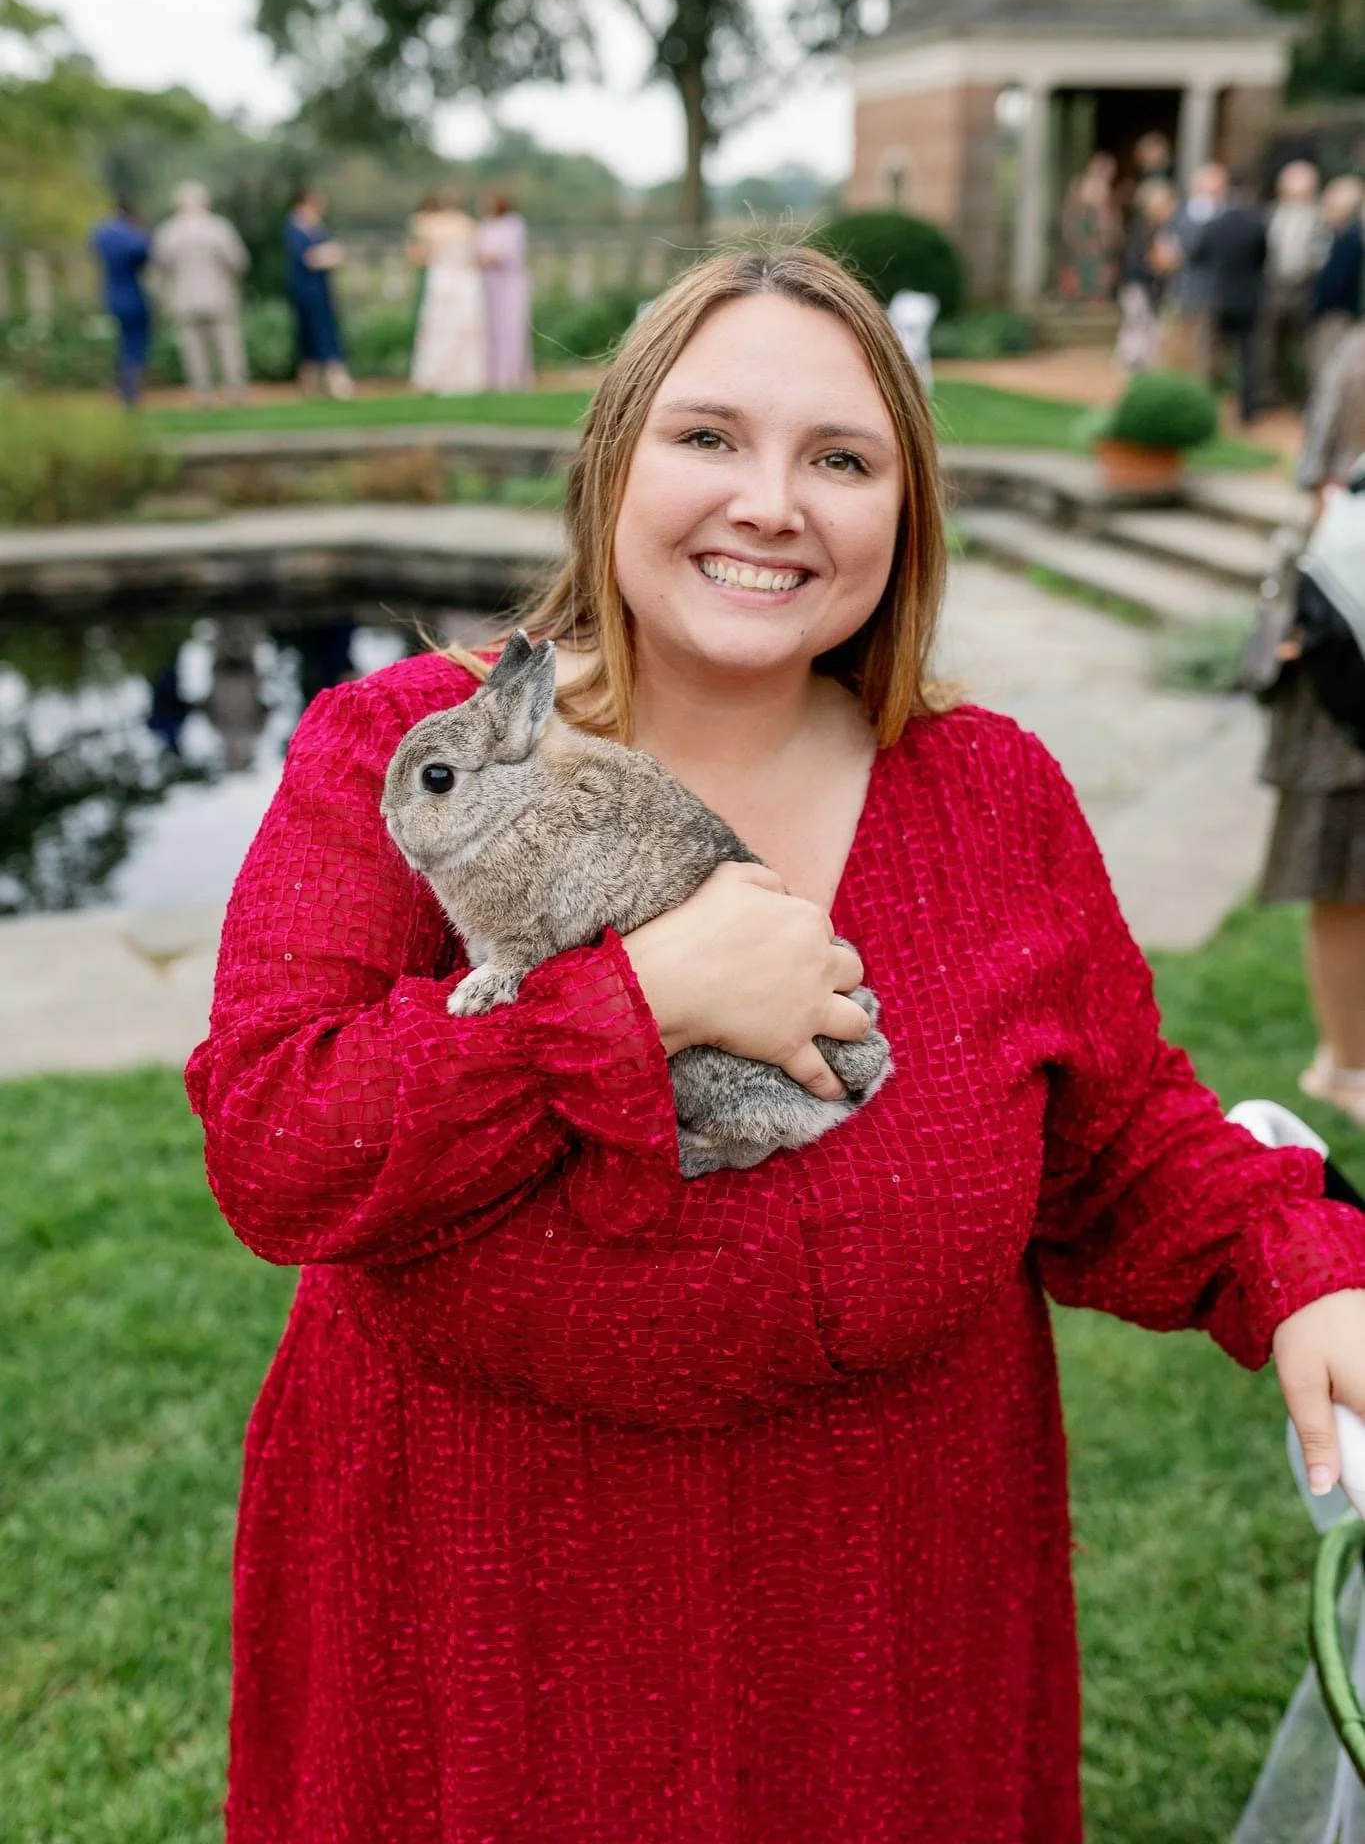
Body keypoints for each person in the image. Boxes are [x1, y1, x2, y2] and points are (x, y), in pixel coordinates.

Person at [187, 245, 1365, 1844]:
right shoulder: (403, 761)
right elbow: (278, 1135)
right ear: (614, 461)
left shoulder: (987, 797)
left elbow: (1116, 1140)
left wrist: (1295, 1264)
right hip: (490, 1632)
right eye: (708, 439)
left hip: (883, 1638)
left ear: (904, 515)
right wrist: (635, 1001)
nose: (771, 503)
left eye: (841, 459)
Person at [1261, 326, 1365, 1123]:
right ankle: (1345, 1067)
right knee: (1340, 873)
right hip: (1344, 658)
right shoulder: (1356, 353)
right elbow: (1320, 478)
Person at [152, 181, 251, 407]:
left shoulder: (169, 231)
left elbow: (160, 267)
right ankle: (235, 390)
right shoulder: (218, 228)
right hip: (219, 296)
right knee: (227, 346)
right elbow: (238, 262)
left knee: (193, 350)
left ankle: (202, 394)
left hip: (184, 299)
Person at [1190, 178, 1268, 425]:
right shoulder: (1256, 225)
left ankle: (1205, 407)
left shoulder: (1214, 224)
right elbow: (1262, 259)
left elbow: (1197, 255)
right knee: (1246, 357)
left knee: (1211, 355)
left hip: (1218, 298)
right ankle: (1246, 411)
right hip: (1247, 300)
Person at [407, 191, 488, 395]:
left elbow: (418, 257)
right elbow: (478, 256)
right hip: (465, 280)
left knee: (440, 329)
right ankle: (465, 379)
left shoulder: (428, 225)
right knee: (463, 330)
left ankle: (436, 377)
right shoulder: (469, 224)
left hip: (442, 279)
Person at [1260, 158, 1325, 408]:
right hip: (1274, 288)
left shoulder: (1320, 217)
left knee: (1308, 351)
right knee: (1270, 347)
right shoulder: (1271, 214)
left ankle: (1307, 401)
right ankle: (1271, 396)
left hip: (1306, 291)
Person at [284, 188, 352, 398]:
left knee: (323, 334)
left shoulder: (317, 229)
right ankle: (322, 384)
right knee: (314, 336)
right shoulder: (296, 229)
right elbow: (310, 258)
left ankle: (323, 384)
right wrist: (326, 255)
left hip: (321, 291)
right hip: (307, 292)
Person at [1163, 160, 1229, 377]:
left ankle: (1199, 385)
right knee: (1177, 337)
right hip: (1181, 287)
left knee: (1204, 342)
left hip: (1212, 289)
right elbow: (1169, 246)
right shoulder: (1182, 214)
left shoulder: (1226, 214)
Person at [1114, 178, 1181, 372]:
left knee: (1149, 329)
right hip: (1137, 287)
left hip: (1152, 288)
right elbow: (1135, 264)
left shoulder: (1163, 228)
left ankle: (1139, 367)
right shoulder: (1141, 229)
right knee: (1137, 326)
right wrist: (1157, 267)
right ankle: (1130, 366)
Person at [89, 197, 152, 405]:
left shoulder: (101, 233)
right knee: (135, 342)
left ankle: (123, 387)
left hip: (111, 294)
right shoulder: (130, 235)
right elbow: (144, 252)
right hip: (131, 293)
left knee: (123, 343)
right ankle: (130, 391)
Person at [1307, 175, 1365, 391]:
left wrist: (1319, 304)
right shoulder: (1339, 234)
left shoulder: (1350, 238)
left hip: (1337, 313)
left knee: (1328, 368)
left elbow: (1336, 280)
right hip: (1335, 312)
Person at [476, 190, 533, 390]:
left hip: (510, 282)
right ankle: (492, 377)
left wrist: (491, 257)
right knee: (491, 330)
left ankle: (511, 376)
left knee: (511, 328)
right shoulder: (484, 225)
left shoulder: (514, 224)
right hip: (489, 284)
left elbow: (511, 253)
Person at [1056, 150, 1120, 305]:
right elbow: (1071, 226)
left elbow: (1112, 231)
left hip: (1099, 250)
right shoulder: (1078, 191)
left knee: (1097, 284)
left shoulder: (1108, 203)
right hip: (1081, 249)